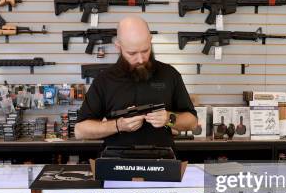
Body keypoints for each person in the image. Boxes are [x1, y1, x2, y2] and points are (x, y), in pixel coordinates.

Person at [74, 16, 197, 147]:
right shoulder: (104, 80)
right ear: (118, 47)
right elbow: (80, 131)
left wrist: (169, 118)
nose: (140, 59)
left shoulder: (169, 74)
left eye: (145, 50)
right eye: (132, 53)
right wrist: (117, 125)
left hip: (161, 161)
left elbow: (192, 122)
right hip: (117, 163)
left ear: (150, 40)